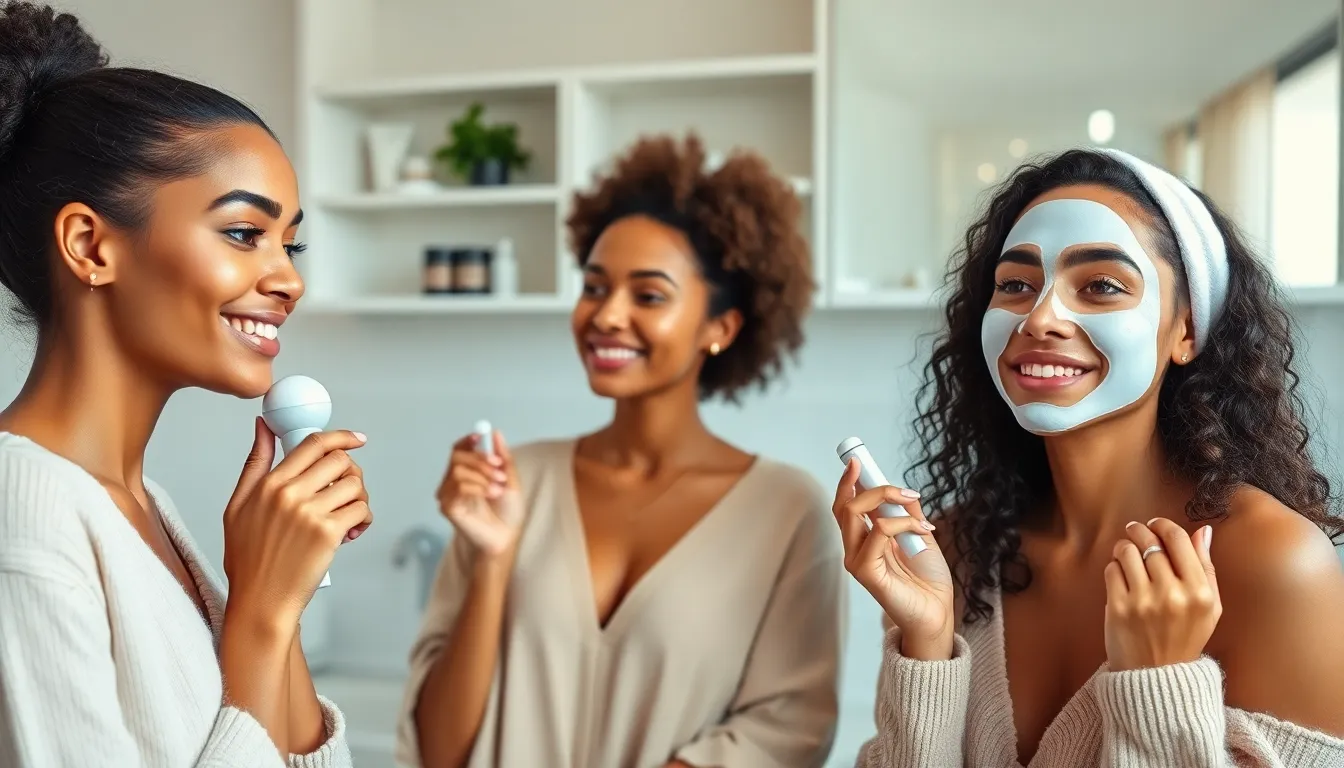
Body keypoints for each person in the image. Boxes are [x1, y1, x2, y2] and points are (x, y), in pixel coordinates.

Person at [834, 147, 1344, 766]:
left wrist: (1158, 687)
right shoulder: (960, 549)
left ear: (1186, 329)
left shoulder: (1276, 566)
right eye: (1016, 286)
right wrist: (928, 644)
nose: (1040, 317)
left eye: (1101, 286)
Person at [396, 133, 846, 768]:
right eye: (594, 286)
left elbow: (786, 734)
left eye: (649, 294)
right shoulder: (509, 483)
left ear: (720, 327)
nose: (607, 315)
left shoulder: (789, 511)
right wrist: (494, 559)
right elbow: (439, 752)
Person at [0, 3, 369, 766]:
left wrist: (280, 595)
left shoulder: (145, 507)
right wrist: (262, 614)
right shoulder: (21, 520)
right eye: (244, 233)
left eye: (291, 243)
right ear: (89, 245)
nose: (289, 279)